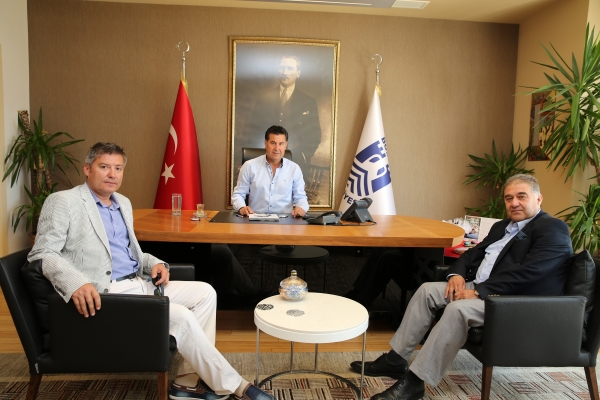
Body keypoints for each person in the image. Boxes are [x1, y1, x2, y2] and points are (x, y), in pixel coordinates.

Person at [28, 142, 274, 400]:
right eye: (104, 167)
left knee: (205, 292)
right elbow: (42, 253)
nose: (112, 174)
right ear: (87, 169)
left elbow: (132, 253)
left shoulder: (122, 203)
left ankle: (188, 380)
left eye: (118, 168)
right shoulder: (64, 201)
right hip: (106, 293)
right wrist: (76, 282)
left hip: (139, 283)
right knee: (180, 316)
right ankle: (237, 387)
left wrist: (155, 263)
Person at [350, 174, 573, 400]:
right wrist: (456, 275)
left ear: (538, 198)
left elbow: (530, 272)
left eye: (521, 196)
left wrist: (479, 292)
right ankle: (395, 360)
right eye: (509, 198)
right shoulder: (501, 226)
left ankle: (415, 383)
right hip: (483, 287)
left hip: (514, 300)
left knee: (457, 310)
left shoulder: (553, 228)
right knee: (427, 290)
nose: (514, 203)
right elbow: (472, 254)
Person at [244, 56, 321, 177]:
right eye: (282, 68)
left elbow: (315, 134)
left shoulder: (308, 101)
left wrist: (304, 155)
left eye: (290, 68)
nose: (285, 72)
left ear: (298, 73)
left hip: (297, 161)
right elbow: (253, 132)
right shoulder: (263, 99)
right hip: (266, 160)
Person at [232, 125, 309, 217]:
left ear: (286, 145)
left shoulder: (294, 169)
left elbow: (301, 197)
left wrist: (301, 207)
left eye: (281, 144)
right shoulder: (249, 166)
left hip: (285, 222)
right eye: (273, 143)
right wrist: (241, 208)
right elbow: (238, 194)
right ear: (265, 143)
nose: (277, 148)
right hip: (255, 219)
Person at [344, 248, 413, 308]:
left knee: (388, 257)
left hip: (414, 261)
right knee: (379, 249)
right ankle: (358, 290)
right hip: (408, 251)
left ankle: (364, 299)